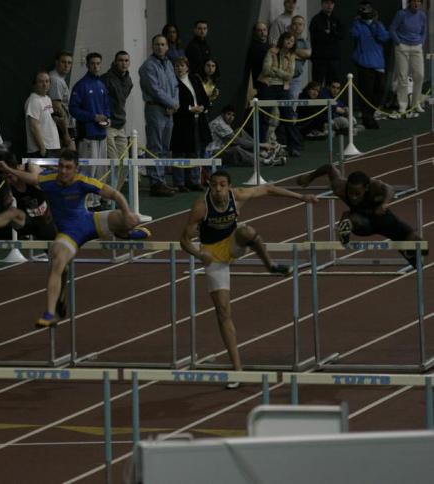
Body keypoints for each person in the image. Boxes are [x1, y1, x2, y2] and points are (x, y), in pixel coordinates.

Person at [180, 170, 317, 380]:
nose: (218, 189)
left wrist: (301, 197)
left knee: (247, 231)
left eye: (222, 184)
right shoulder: (201, 207)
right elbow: (184, 240)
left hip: (234, 245)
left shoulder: (239, 195)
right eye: (214, 185)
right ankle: (237, 370)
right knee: (223, 311)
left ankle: (270, 265)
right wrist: (199, 254)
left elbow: (269, 189)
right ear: (209, 186)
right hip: (213, 255)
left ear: (229, 186)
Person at [0, 149, 151, 328]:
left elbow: (115, 194)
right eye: (61, 166)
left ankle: (124, 232)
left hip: (89, 222)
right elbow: (29, 178)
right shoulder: (49, 181)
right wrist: (8, 169)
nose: (63, 171)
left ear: (76, 169)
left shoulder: (82, 181)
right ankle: (50, 313)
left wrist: (127, 212)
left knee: (131, 219)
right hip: (69, 234)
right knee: (57, 262)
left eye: (68, 167)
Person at [297, 164, 428, 267]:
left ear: (366, 188)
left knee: (422, 247)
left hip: (384, 219)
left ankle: (409, 252)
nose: (353, 197)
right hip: (362, 223)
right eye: (350, 192)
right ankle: (345, 230)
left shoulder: (375, 186)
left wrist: (385, 204)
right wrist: (309, 177)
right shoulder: (340, 187)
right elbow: (329, 168)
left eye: (357, 194)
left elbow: (390, 188)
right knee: (350, 217)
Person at [69, 52, 110, 210]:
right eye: (92, 63)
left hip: (102, 135)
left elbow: (106, 107)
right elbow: (73, 109)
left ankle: (98, 201)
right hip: (88, 136)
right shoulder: (81, 85)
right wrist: (93, 117)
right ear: (87, 65)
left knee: (101, 170)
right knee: (88, 171)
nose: (96, 66)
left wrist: (108, 118)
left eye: (98, 63)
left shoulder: (101, 85)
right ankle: (86, 203)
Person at [139, 34, 178, 197]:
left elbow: (175, 85)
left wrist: (175, 104)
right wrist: (170, 103)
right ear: (152, 46)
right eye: (157, 44)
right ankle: (156, 182)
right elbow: (155, 90)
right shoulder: (148, 66)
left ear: (167, 47)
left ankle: (162, 180)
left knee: (164, 148)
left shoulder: (168, 64)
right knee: (155, 147)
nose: (160, 47)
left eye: (163, 44)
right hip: (155, 109)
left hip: (169, 112)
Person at [258, 32, 303, 157]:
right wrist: (281, 72)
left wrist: (276, 70)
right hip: (268, 86)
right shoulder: (271, 51)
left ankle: (294, 147)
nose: (289, 42)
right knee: (264, 118)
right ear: (282, 39)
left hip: (283, 88)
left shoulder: (291, 55)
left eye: (292, 40)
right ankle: (262, 147)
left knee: (288, 117)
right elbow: (266, 69)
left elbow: (290, 75)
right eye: (287, 39)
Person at [170, 56, 210, 192]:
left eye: (182, 65)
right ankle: (179, 182)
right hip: (181, 121)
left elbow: (204, 97)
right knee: (180, 152)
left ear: (187, 67)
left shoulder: (195, 79)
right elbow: (173, 102)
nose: (179, 68)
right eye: (176, 66)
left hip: (197, 120)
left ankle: (194, 180)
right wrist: (189, 109)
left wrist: (202, 107)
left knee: (195, 151)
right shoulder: (172, 82)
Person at [350, 1, 389, 129]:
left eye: (367, 10)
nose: (366, 13)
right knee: (366, 92)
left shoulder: (378, 24)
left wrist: (376, 24)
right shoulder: (357, 25)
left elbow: (384, 37)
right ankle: (368, 118)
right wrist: (357, 22)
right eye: (363, 10)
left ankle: (370, 115)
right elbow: (353, 35)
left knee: (380, 90)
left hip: (378, 62)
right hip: (364, 62)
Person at [101, 51, 133, 190]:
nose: (123, 63)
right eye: (120, 60)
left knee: (125, 164)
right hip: (108, 126)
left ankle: (113, 196)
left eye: (126, 60)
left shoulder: (128, 80)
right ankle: (103, 194)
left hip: (121, 125)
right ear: (115, 62)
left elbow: (122, 101)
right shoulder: (105, 79)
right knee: (113, 163)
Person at [389, 0, 427, 118]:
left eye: (418, 2)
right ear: (410, 2)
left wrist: (421, 42)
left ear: (420, 3)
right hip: (402, 47)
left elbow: (424, 32)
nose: (416, 4)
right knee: (403, 76)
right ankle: (403, 105)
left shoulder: (422, 15)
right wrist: (399, 42)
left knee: (419, 75)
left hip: (417, 47)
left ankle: (416, 103)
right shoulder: (401, 14)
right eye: (414, 1)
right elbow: (392, 29)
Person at [25, 70, 61, 158]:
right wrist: (42, 148)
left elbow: (48, 120)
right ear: (35, 83)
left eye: (47, 81)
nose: (45, 84)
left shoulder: (47, 99)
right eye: (41, 82)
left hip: (53, 146)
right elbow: (33, 126)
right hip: (42, 149)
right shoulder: (33, 101)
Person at [309, 0, 344, 86]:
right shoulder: (316, 19)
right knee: (317, 83)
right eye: (327, 3)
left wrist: (331, 32)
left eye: (331, 3)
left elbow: (342, 35)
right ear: (322, 4)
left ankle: (332, 100)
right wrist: (330, 35)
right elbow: (315, 36)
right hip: (319, 58)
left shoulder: (337, 19)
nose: (329, 5)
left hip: (334, 58)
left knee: (333, 84)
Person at [49, 52, 76, 150]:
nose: (66, 65)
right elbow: (57, 107)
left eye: (69, 63)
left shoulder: (59, 79)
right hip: (62, 128)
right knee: (70, 159)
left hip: (65, 126)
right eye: (63, 62)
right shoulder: (56, 80)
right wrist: (65, 133)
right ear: (57, 63)